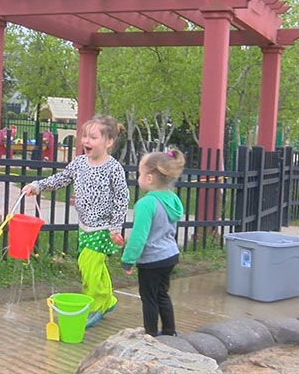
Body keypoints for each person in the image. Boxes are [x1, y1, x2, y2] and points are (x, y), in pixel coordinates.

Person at [22, 115, 129, 328]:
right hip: (85, 226)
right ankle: (108, 299)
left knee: (87, 265)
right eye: (84, 136)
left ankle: (95, 306)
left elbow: (122, 197)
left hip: (103, 228)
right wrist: (37, 186)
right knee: (95, 265)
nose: (86, 141)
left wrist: (116, 227)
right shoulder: (79, 163)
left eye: (93, 137)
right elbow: (60, 179)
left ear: (108, 142)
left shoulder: (113, 168)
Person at [121, 147, 185, 337]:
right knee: (162, 295)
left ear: (149, 178)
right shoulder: (173, 199)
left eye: (140, 173)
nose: (138, 177)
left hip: (152, 260)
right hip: (170, 255)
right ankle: (169, 331)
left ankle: (150, 334)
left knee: (149, 299)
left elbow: (139, 236)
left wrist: (128, 259)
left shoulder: (145, 204)